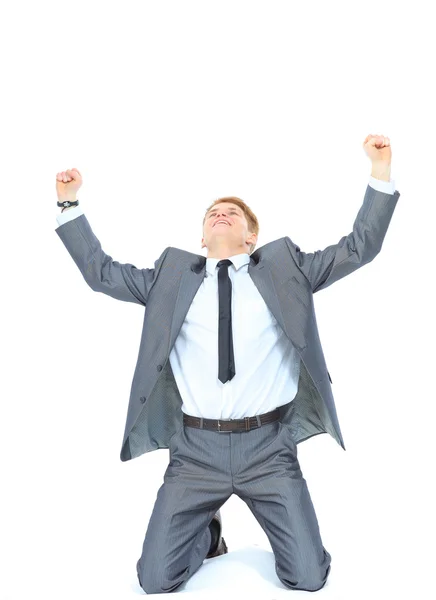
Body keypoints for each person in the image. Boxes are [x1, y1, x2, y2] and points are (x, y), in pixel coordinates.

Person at [55, 134, 400, 593]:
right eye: (213, 212)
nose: (222, 214)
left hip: (269, 450)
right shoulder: (169, 277)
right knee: (155, 580)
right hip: (194, 453)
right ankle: (208, 533)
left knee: (308, 578)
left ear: (250, 235)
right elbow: (101, 273)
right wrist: (68, 205)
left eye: (233, 212)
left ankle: (288, 539)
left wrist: (379, 171)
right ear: (202, 236)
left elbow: (359, 248)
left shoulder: (286, 267)